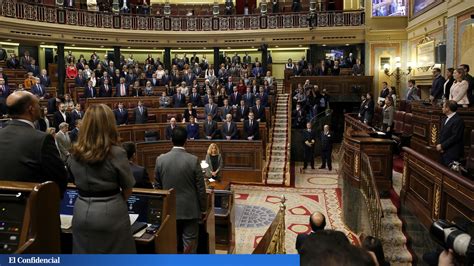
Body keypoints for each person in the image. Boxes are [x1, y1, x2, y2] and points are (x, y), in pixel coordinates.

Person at [67, 104, 136, 254]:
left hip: (81, 210)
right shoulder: (117, 153)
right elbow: (128, 189)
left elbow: (72, 179)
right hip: (111, 212)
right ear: (109, 124)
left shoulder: (74, 153)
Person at [0, 91, 67, 194]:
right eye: (38, 104)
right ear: (31, 109)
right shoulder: (42, 139)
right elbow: (60, 179)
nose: (40, 107)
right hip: (31, 205)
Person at [154, 126, 207, 253]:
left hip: (169, 211)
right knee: (189, 246)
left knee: (171, 244)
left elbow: (157, 188)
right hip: (190, 210)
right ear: (186, 141)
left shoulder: (160, 160)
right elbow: (201, 188)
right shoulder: (193, 160)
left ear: (171, 140)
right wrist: (203, 209)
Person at [436, 100, 465, 166]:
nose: (442, 108)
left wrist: (442, 146)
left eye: (443, 107)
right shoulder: (444, 119)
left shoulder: (458, 120)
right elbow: (441, 134)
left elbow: (455, 137)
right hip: (443, 151)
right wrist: (440, 145)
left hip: (452, 153)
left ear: (448, 108)